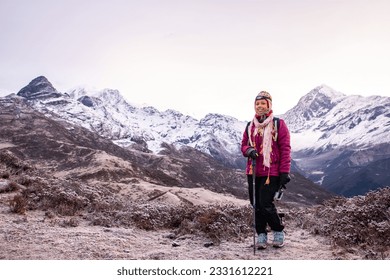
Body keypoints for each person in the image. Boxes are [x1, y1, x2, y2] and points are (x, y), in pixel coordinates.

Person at [241, 90, 291, 249]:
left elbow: (285, 149)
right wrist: (249, 150)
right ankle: (261, 234)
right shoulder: (250, 126)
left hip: (272, 172)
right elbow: (243, 145)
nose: (259, 106)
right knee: (255, 204)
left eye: (263, 103)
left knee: (265, 203)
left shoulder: (278, 124)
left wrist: (285, 172)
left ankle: (278, 231)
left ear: (269, 105)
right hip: (253, 171)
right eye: (257, 104)